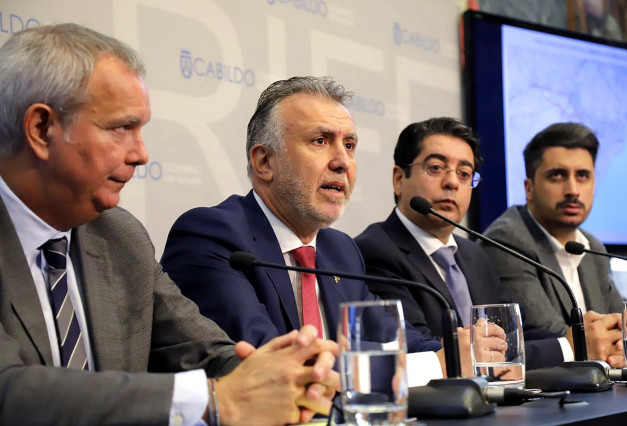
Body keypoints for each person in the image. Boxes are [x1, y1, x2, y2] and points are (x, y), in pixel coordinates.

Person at [0, 24, 338, 425]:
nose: (141, 154)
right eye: (121, 128)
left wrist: (286, 377)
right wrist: (214, 400)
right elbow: (10, 389)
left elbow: (202, 352)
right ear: (41, 128)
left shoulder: (119, 236)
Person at [161, 77, 504, 378]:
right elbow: (275, 363)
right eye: (320, 141)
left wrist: (457, 349)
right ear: (265, 162)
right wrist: (438, 365)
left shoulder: (339, 249)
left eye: (350, 145)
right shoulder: (211, 236)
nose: (342, 162)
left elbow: (390, 336)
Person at [355, 117, 570, 371]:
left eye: (464, 173)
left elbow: (514, 334)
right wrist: (567, 349)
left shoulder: (474, 253)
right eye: (436, 167)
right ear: (399, 179)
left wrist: (578, 337)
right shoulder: (375, 251)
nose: (452, 182)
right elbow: (426, 351)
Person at [482, 122, 626, 367]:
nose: (572, 190)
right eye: (557, 175)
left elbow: (625, 326)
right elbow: (553, 336)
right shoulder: (507, 241)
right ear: (529, 188)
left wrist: (623, 342)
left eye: (582, 176)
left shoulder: (591, 246)